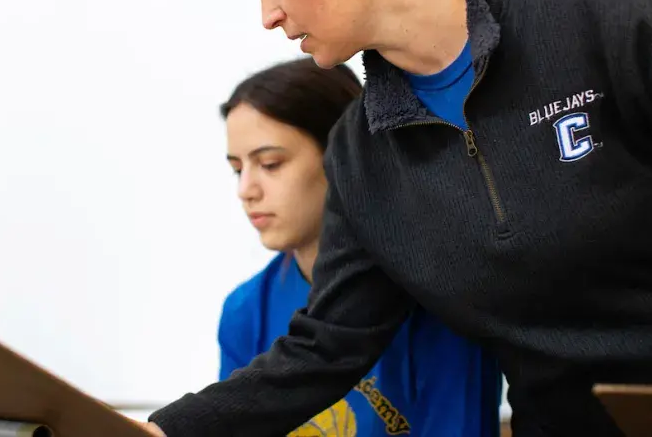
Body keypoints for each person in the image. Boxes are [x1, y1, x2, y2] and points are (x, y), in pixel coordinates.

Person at [141, 0, 652, 436]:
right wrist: (158, 432)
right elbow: (323, 348)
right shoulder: (361, 157)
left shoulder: (597, 11)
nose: (267, 13)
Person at [216, 58, 504, 437]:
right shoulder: (246, 309)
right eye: (238, 169)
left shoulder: (438, 296)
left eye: (270, 164)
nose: (246, 191)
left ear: (342, 157)